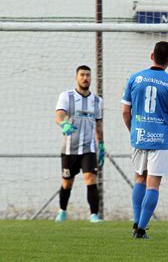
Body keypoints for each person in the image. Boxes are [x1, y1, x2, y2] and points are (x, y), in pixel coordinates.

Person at [121, 41, 168, 239]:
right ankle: (141, 229)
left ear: (151, 55)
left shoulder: (135, 78)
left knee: (139, 178)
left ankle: (136, 223)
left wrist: (133, 130)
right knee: (153, 184)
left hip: (139, 136)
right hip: (161, 140)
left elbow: (125, 111)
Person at [54, 65, 105, 223]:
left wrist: (101, 145)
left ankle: (94, 215)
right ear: (76, 77)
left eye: (88, 75)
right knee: (67, 182)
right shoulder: (66, 96)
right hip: (69, 149)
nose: (85, 78)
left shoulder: (97, 101)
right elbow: (59, 114)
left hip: (89, 148)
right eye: (82, 75)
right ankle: (62, 211)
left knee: (90, 178)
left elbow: (98, 125)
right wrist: (64, 124)